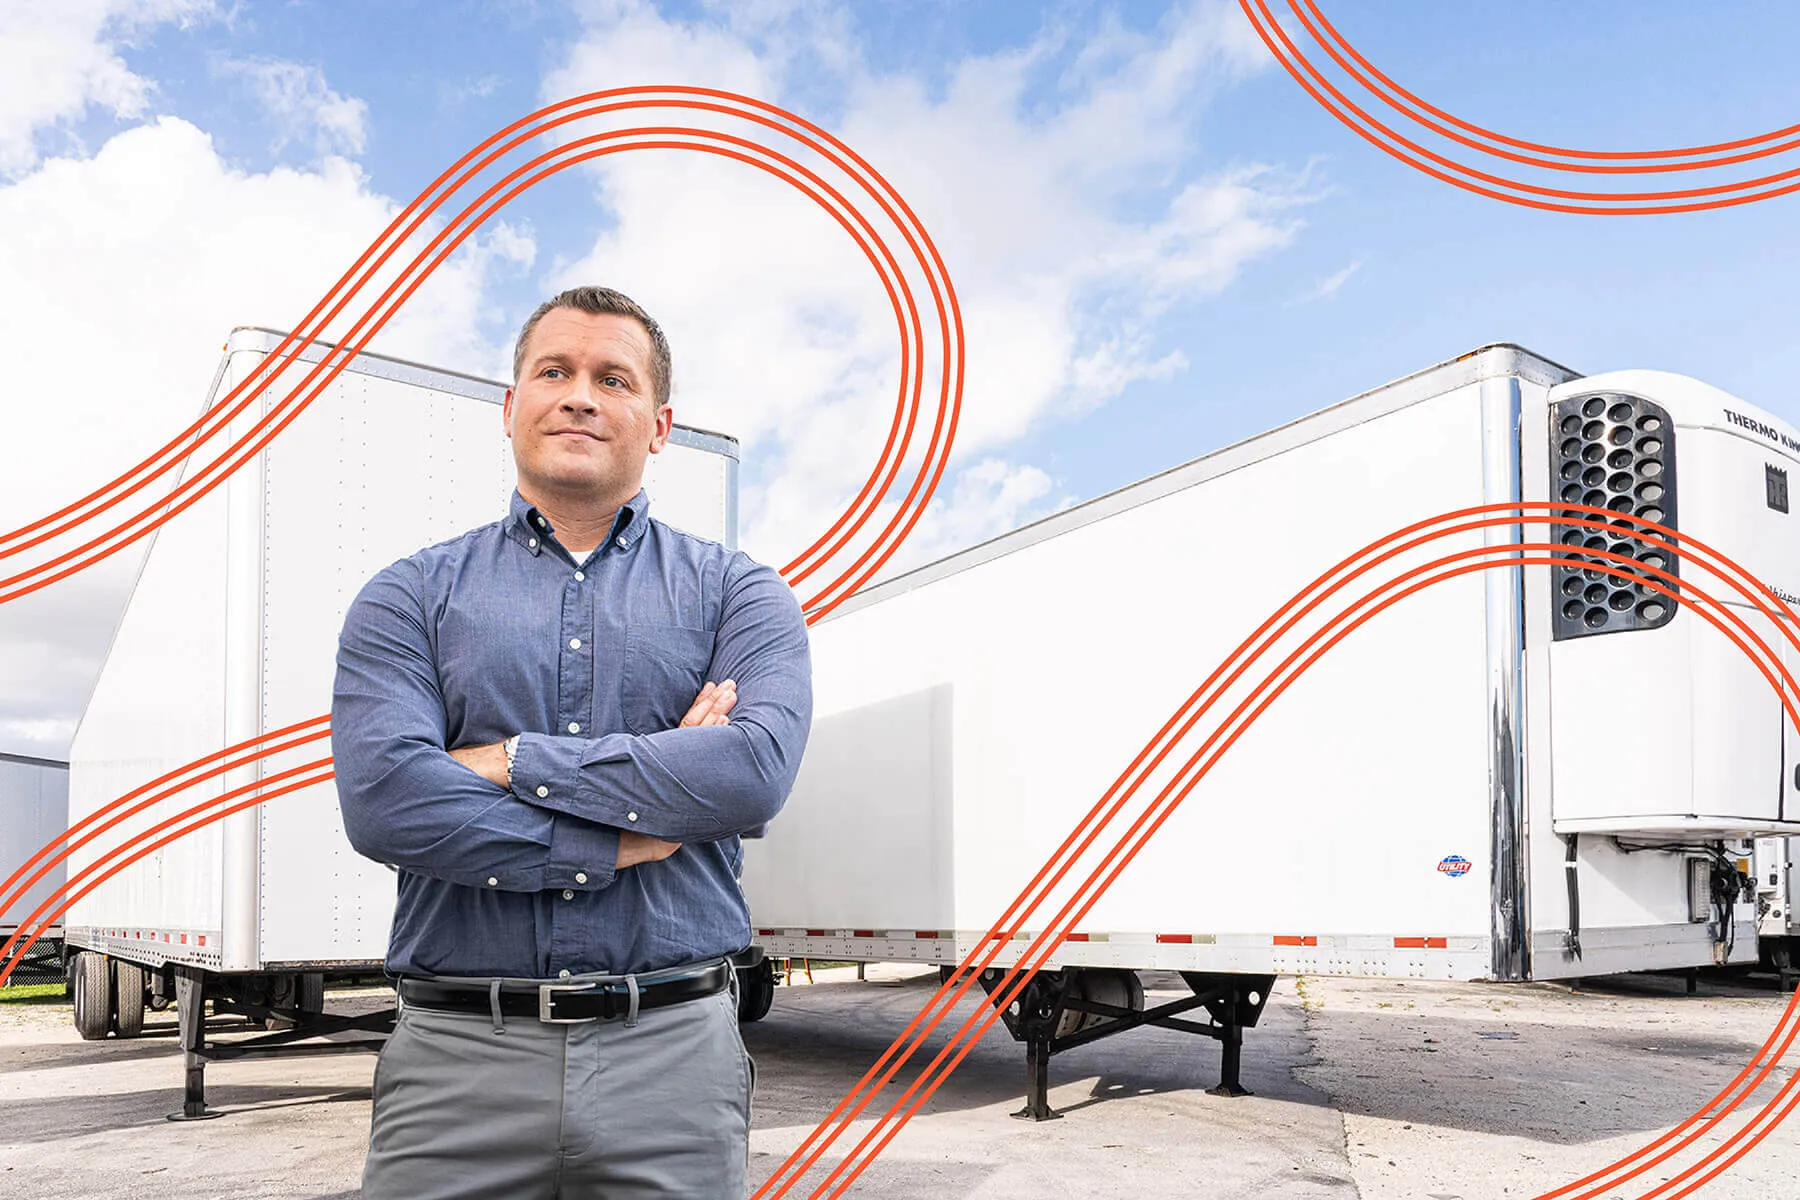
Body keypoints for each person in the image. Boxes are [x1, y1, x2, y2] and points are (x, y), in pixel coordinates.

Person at [331, 285, 812, 1198]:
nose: (581, 395)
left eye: (612, 377)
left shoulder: (740, 595)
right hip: (455, 1068)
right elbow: (389, 802)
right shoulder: (408, 596)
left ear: (659, 423)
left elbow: (749, 773)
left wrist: (512, 760)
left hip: (672, 1063)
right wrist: (627, 830)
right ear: (512, 408)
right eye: (554, 371)